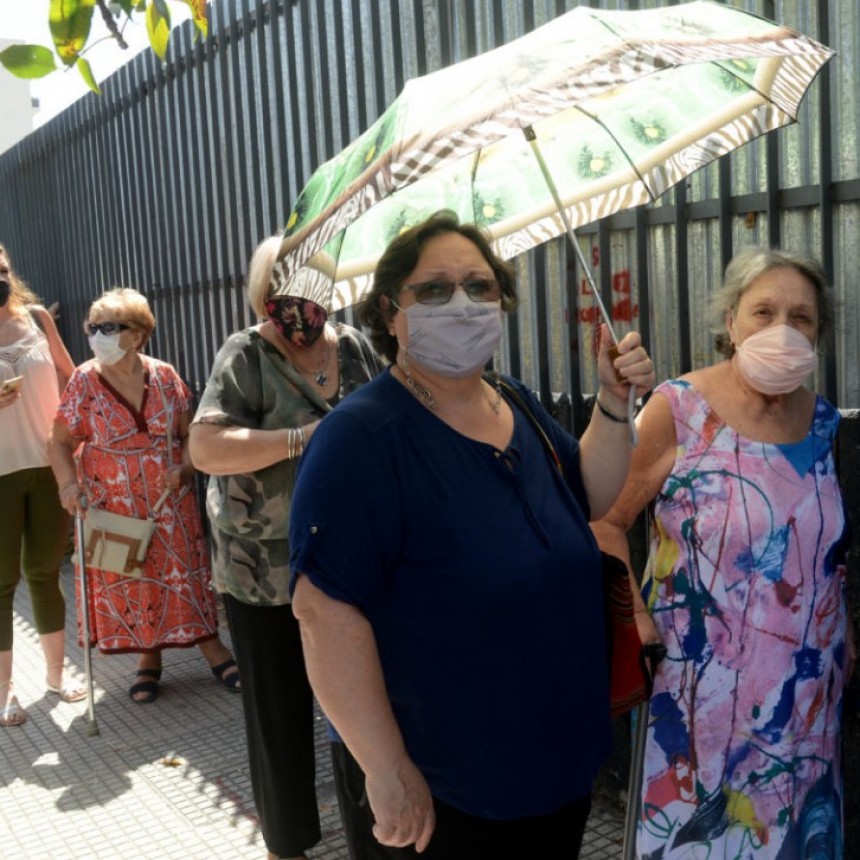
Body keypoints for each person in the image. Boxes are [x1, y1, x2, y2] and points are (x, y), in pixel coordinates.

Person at [287, 210, 655, 858]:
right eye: (434, 289)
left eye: (480, 286)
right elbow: (323, 612)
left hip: (554, 769)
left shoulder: (511, 401)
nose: (462, 302)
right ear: (389, 312)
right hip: (447, 796)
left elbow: (588, 496)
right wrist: (386, 768)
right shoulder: (361, 438)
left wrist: (612, 404)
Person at [591, 247, 857, 859]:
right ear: (731, 322)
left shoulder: (823, 425)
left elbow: (827, 556)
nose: (782, 330)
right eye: (763, 312)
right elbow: (605, 519)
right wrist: (635, 614)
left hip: (808, 704)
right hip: (697, 698)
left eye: (802, 318)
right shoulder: (679, 409)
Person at [188, 234, 386, 860]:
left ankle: (375, 834)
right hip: (262, 570)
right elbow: (205, 448)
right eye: (286, 286)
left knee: (361, 709)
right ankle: (288, 845)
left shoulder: (352, 346)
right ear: (265, 291)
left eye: (314, 282)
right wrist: (304, 438)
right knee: (279, 717)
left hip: (350, 562)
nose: (301, 300)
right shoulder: (245, 354)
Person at [47, 287, 240, 705]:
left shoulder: (166, 376)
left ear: (137, 334)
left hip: (168, 501)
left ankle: (213, 649)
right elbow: (58, 442)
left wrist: (185, 466)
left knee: (184, 573)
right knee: (131, 579)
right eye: (92, 327)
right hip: (111, 505)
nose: (97, 336)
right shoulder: (83, 381)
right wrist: (68, 485)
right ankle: (147, 660)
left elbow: (191, 435)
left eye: (109, 328)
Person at [0, 243, 84, 728]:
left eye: (4, 269)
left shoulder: (35, 317)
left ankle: (55, 676)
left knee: (45, 570)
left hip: (49, 463)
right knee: (0, 581)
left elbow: (72, 378)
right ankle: (6, 689)